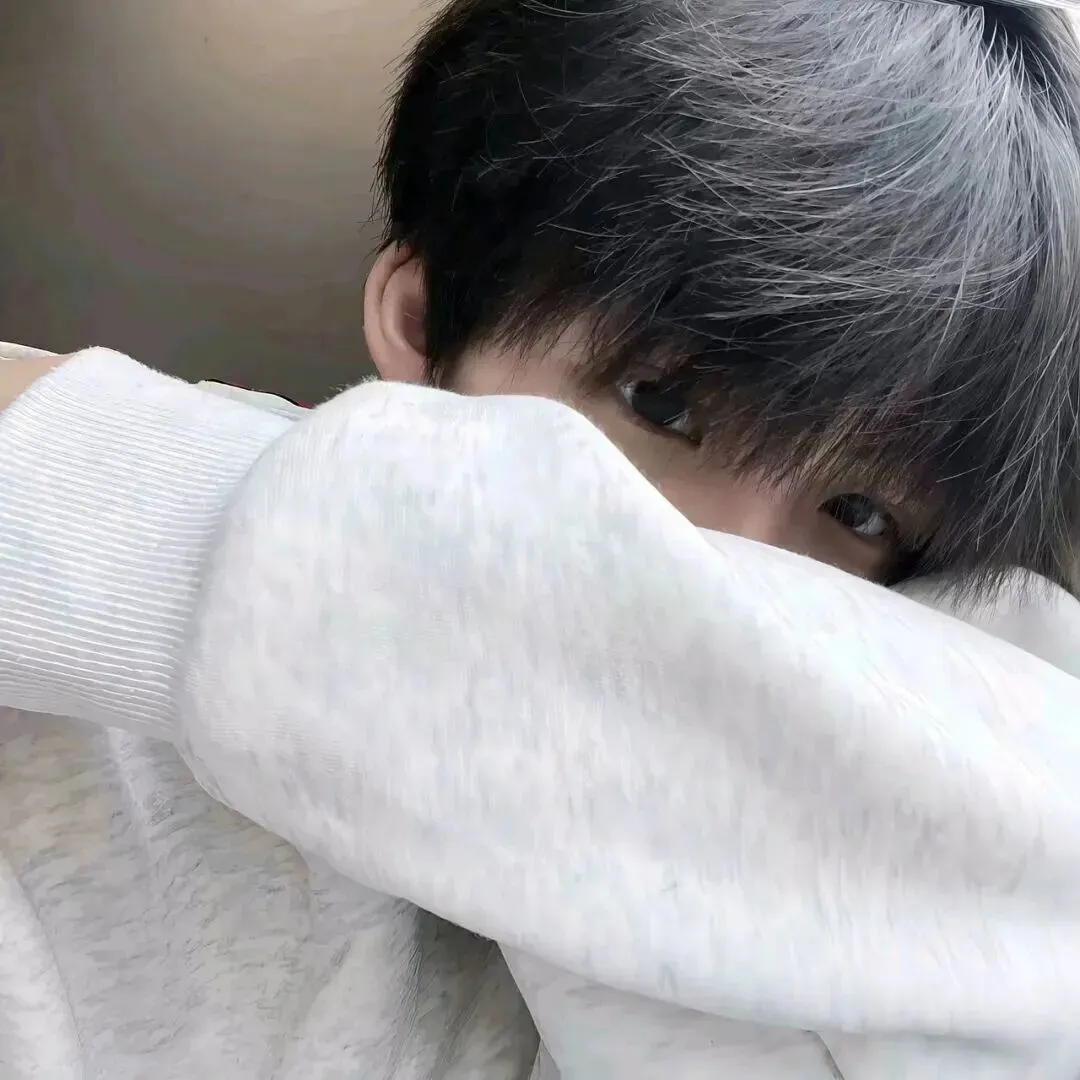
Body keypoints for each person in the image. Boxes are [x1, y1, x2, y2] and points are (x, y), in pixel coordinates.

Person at [2, 1, 1080, 1077]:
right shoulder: (78, 768)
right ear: (424, 324)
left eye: (857, 514)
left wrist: (104, 470)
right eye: (660, 405)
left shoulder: (959, 743)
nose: (736, 564)